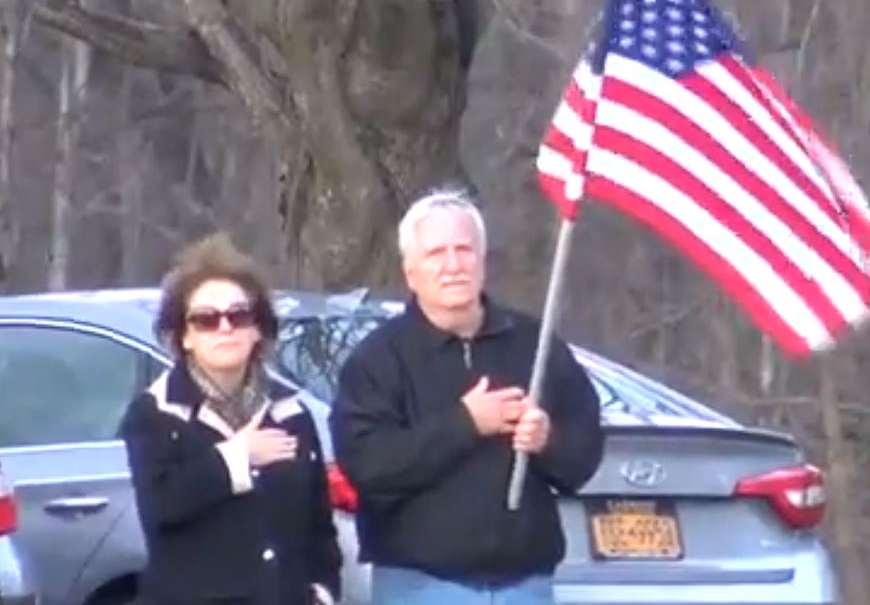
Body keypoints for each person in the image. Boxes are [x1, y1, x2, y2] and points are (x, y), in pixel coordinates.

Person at [329, 189, 604, 605]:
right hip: (420, 586)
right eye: (436, 253)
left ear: (482, 261)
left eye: (464, 250)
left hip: (525, 586)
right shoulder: (379, 359)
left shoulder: (535, 346)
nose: (453, 265)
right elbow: (369, 466)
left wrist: (548, 441)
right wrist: (466, 422)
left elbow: (583, 458)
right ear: (411, 272)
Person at [120, 234, 343, 605]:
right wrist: (237, 458)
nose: (225, 328)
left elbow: (319, 529)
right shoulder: (154, 415)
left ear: (257, 330)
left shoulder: (291, 414)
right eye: (206, 320)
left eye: (238, 316)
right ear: (184, 336)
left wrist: (322, 594)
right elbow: (161, 508)